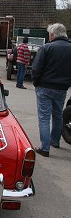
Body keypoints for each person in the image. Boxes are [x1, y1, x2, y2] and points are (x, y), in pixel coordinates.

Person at [31, 23, 71, 157]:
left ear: (53, 35)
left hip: (45, 87)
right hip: (62, 88)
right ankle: (55, 141)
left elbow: (36, 68)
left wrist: (36, 82)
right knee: (58, 115)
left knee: (44, 117)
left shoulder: (47, 48)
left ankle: (45, 147)